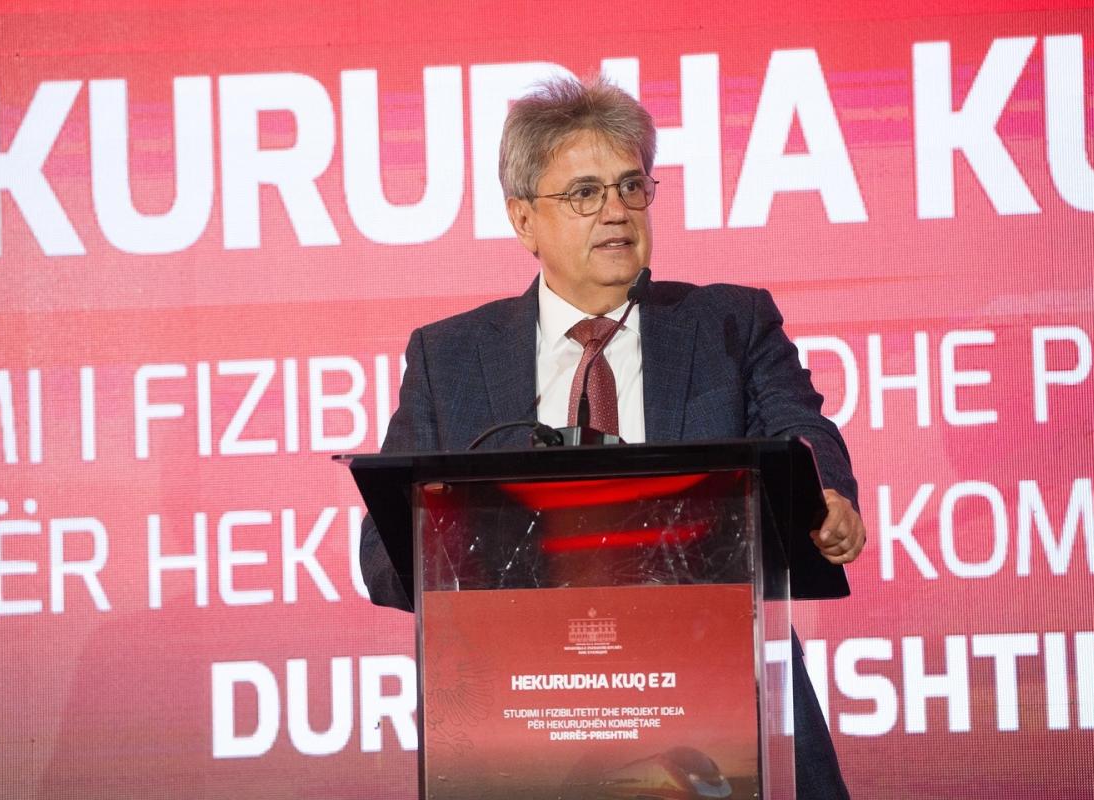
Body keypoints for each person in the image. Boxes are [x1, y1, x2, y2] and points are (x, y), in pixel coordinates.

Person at [360, 74, 866, 800]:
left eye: (631, 187)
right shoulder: (451, 358)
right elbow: (386, 557)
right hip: (528, 716)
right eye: (584, 193)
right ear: (524, 220)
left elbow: (800, 427)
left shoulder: (728, 324)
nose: (616, 211)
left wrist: (826, 494)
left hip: (719, 697)